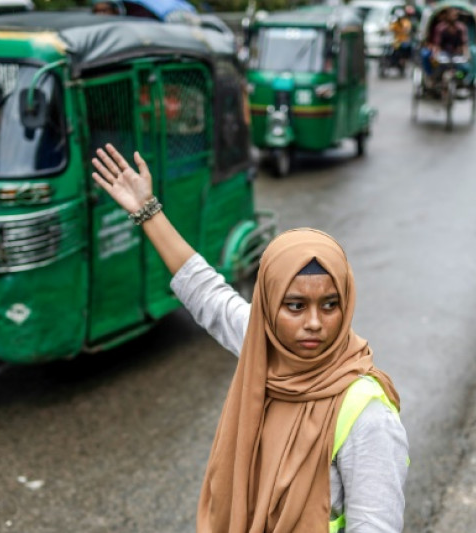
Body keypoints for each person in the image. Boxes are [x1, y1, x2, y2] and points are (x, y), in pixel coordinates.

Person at [91, 143, 409, 532]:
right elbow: (206, 292)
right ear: (268, 308)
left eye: (330, 305)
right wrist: (148, 211)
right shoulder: (266, 349)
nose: (314, 323)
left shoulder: (368, 414)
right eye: (294, 306)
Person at [421, 8, 469, 82]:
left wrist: (466, 55)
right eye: (452, 14)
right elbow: (437, 44)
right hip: (444, 53)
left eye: (455, 15)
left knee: (464, 69)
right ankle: (433, 79)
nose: (454, 16)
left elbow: (464, 44)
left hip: (456, 53)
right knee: (437, 67)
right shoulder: (440, 28)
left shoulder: (461, 28)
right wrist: (435, 55)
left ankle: (461, 81)